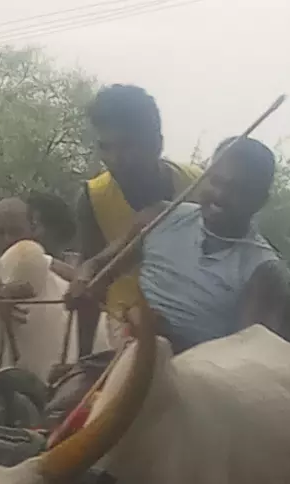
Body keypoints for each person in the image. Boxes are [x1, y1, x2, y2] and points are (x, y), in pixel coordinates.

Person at [67, 136, 290, 357]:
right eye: (215, 181)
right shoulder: (159, 217)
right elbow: (98, 267)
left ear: (260, 201)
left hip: (202, 382)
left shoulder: (263, 270)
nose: (220, 195)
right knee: (62, 401)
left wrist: (165, 338)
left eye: (238, 190)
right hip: (130, 355)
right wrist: (84, 280)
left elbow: (246, 361)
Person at [73, 84, 202, 353]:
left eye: (127, 145)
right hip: (125, 331)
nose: (115, 158)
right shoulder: (93, 196)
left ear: (157, 143)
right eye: (106, 147)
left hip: (197, 326)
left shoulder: (199, 184)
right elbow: (93, 280)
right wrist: (82, 362)